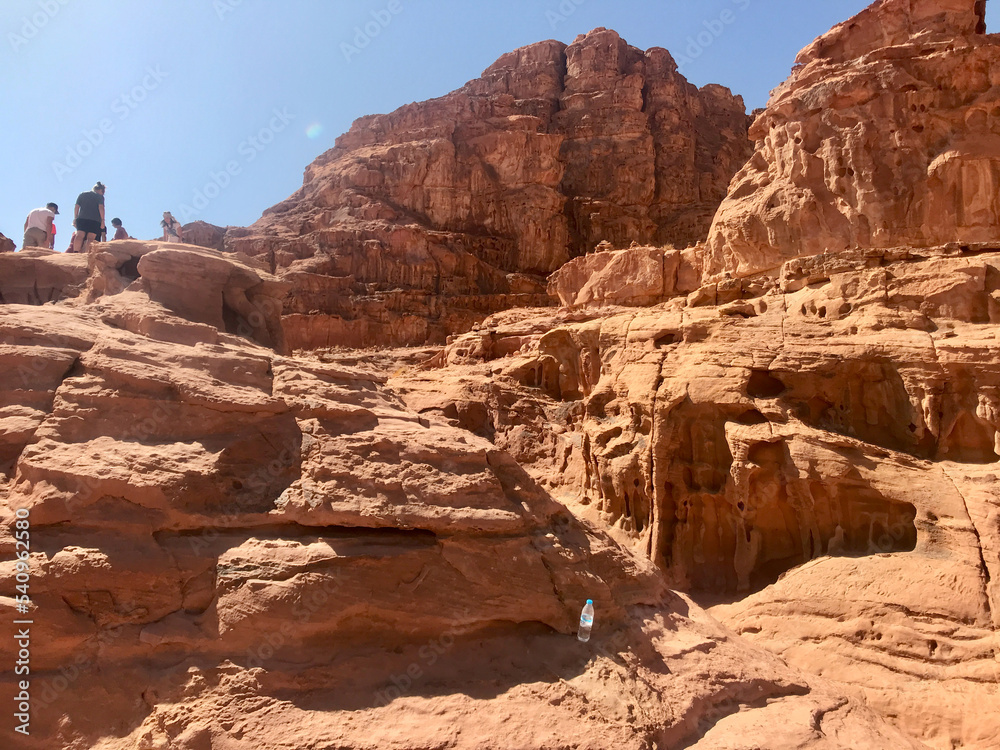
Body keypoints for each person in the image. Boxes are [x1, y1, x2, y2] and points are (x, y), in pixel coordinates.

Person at [72, 182, 106, 254]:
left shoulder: (83, 194)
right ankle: (87, 254)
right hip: (95, 220)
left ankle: (75, 252)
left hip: (82, 218)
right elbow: (101, 208)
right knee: (90, 238)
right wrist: (102, 220)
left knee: (79, 235)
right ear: (101, 190)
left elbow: (77, 206)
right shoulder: (100, 197)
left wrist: (75, 217)